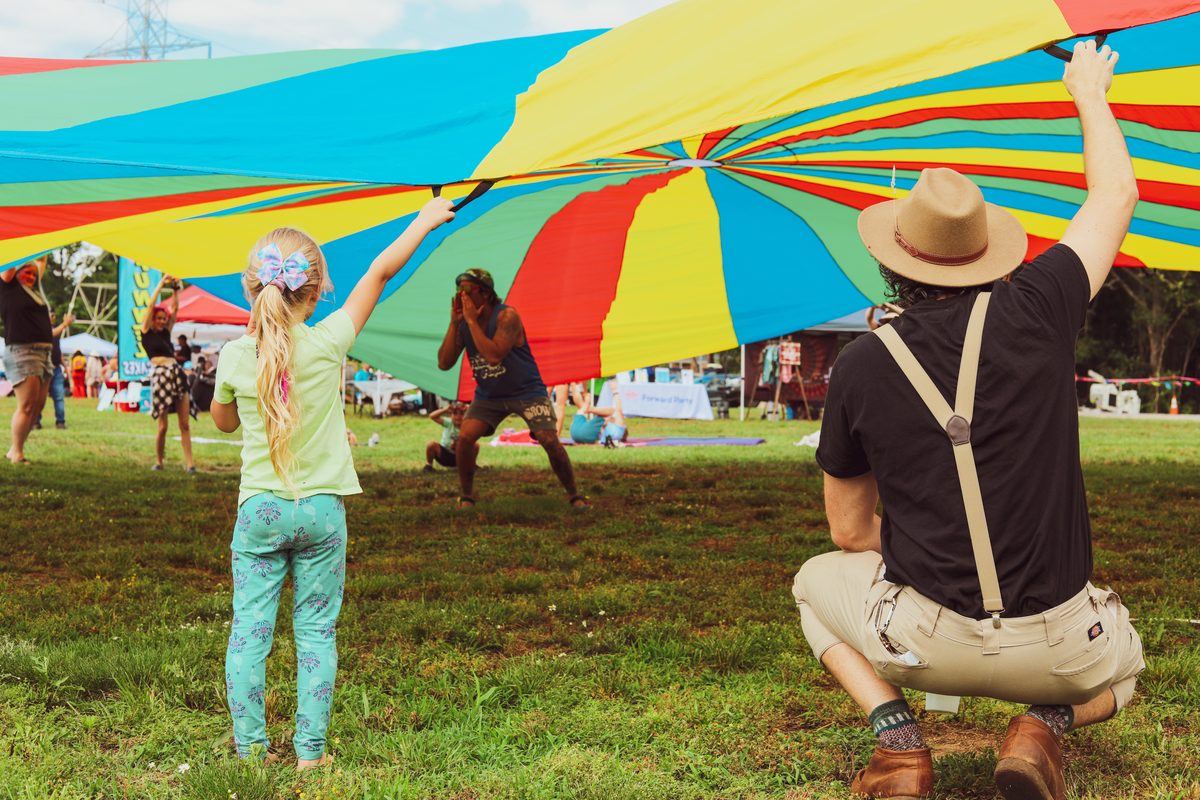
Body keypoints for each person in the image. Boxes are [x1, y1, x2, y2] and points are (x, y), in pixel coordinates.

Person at [791, 42, 1143, 800]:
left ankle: (900, 748)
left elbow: (850, 536)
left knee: (812, 585)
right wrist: (1087, 89)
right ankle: (1041, 725)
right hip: (1063, 648)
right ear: (988, 254)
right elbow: (1115, 196)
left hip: (923, 643)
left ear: (895, 262)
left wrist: (928, 545)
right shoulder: (1041, 307)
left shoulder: (859, 365)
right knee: (1130, 665)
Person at [210, 196, 455, 769]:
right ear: (318, 290)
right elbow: (380, 271)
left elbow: (223, 419)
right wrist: (423, 219)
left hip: (260, 512)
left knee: (250, 629)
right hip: (321, 512)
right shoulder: (329, 343)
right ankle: (311, 755)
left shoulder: (234, 355)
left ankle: (251, 751)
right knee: (316, 629)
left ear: (252, 289)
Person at [436, 268, 587, 508]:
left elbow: (494, 355)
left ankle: (574, 495)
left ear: (485, 293)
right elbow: (444, 363)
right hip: (489, 394)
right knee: (465, 438)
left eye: (466, 290)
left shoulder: (507, 317)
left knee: (549, 439)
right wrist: (455, 324)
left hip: (527, 391)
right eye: (458, 290)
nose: (461, 296)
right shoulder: (465, 322)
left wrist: (472, 322)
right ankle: (466, 496)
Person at [1, 258, 54, 464]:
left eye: (34, 274)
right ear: (16, 272)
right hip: (23, 350)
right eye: (26, 273)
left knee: (38, 405)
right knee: (27, 405)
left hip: (44, 352)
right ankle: (17, 452)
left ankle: (14, 449)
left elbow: (41, 258)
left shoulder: (36, 291)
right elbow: (11, 260)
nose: (31, 276)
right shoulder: (8, 285)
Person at [142, 275, 196, 473]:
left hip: (176, 374)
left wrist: (175, 290)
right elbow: (149, 308)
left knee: (184, 423)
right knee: (163, 425)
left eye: (163, 319)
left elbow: (175, 311)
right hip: (160, 375)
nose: (162, 321)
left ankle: (190, 464)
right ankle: (159, 461)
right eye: (159, 318)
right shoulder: (146, 332)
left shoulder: (166, 332)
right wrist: (160, 284)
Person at [35, 310, 74, 430]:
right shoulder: (41, 329)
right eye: (50, 314)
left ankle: (60, 422)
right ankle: (36, 422)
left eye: (53, 314)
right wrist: (65, 324)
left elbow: (58, 352)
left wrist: (67, 369)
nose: (52, 317)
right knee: (39, 397)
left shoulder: (56, 332)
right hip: (43, 367)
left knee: (59, 396)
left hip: (56, 368)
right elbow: (50, 334)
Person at [569, 381, 629, 446]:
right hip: (574, 434)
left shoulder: (619, 429)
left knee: (611, 412)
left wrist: (615, 391)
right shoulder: (608, 434)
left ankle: (588, 407)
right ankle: (573, 385)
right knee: (582, 409)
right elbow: (599, 442)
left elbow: (618, 410)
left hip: (582, 433)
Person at [423, 402, 475, 471]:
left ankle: (472, 464)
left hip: (461, 455)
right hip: (444, 454)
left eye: (462, 414)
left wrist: (470, 408)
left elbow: (480, 419)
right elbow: (432, 416)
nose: (458, 417)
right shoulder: (449, 423)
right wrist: (445, 409)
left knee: (476, 445)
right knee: (431, 444)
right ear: (451, 416)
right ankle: (429, 465)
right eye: (455, 414)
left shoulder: (467, 425)